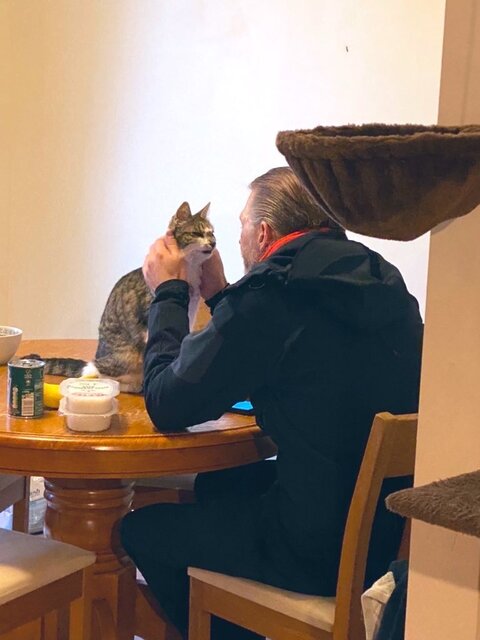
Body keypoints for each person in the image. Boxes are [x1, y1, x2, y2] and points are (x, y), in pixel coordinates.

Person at [120, 167, 423, 640]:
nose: (239, 237)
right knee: (217, 485)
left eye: (242, 225)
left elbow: (166, 402)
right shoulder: (380, 279)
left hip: (311, 549)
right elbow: (274, 355)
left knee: (142, 530)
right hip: (378, 533)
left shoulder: (276, 291)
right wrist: (221, 295)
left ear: (263, 233)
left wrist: (170, 293)